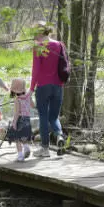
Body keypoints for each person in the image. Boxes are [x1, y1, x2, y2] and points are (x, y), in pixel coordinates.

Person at [29, 21, 66, 157]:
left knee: (43, 117)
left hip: (43, 87)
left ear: (39, 32)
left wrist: (31, 89)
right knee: (54, 117)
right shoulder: (59, 45)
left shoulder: (38, 46)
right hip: (58, 86)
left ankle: (45, 149)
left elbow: (36, 70)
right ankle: (59, 135)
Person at [5, 78, 35, 162]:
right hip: (27, 120)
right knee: (24, 137)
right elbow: (33, 106)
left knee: (17, 138)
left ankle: (20, 156)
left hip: (20, 120)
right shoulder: (28, 97)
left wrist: (14, 122)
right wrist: (30, 98)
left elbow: (17, 112)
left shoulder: (17, 99)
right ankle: (26, 147)